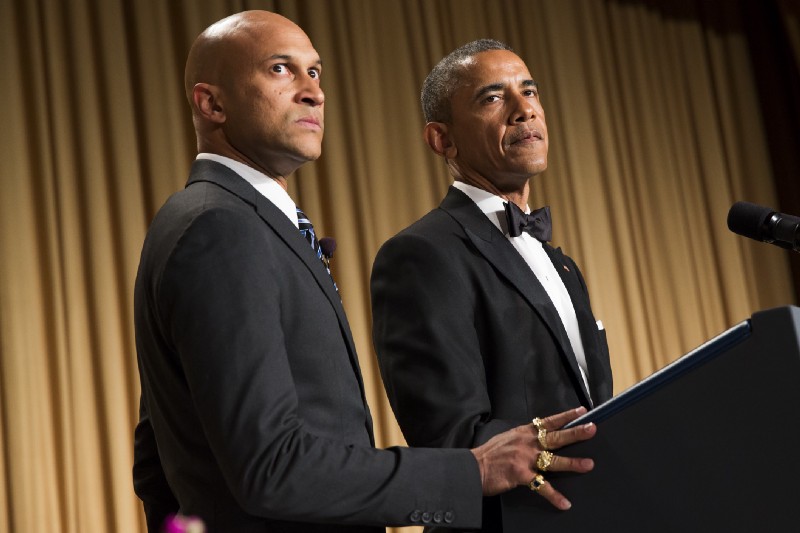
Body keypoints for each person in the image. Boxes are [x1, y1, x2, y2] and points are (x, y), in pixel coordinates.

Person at [132, 12, 598, 533]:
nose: (314, 92)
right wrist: (473, 470)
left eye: (316, 72)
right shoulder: (221, 228)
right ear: (211, 103)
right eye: (282, 70)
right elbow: (270, 468)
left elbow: (156, 463)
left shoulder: (221, 221)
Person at [370, 39, 614, 532]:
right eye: (493, 98)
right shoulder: (422, 254)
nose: (525, 110)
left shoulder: (560, 263)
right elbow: (450, 435)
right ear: (442, 140)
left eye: (530, 91)